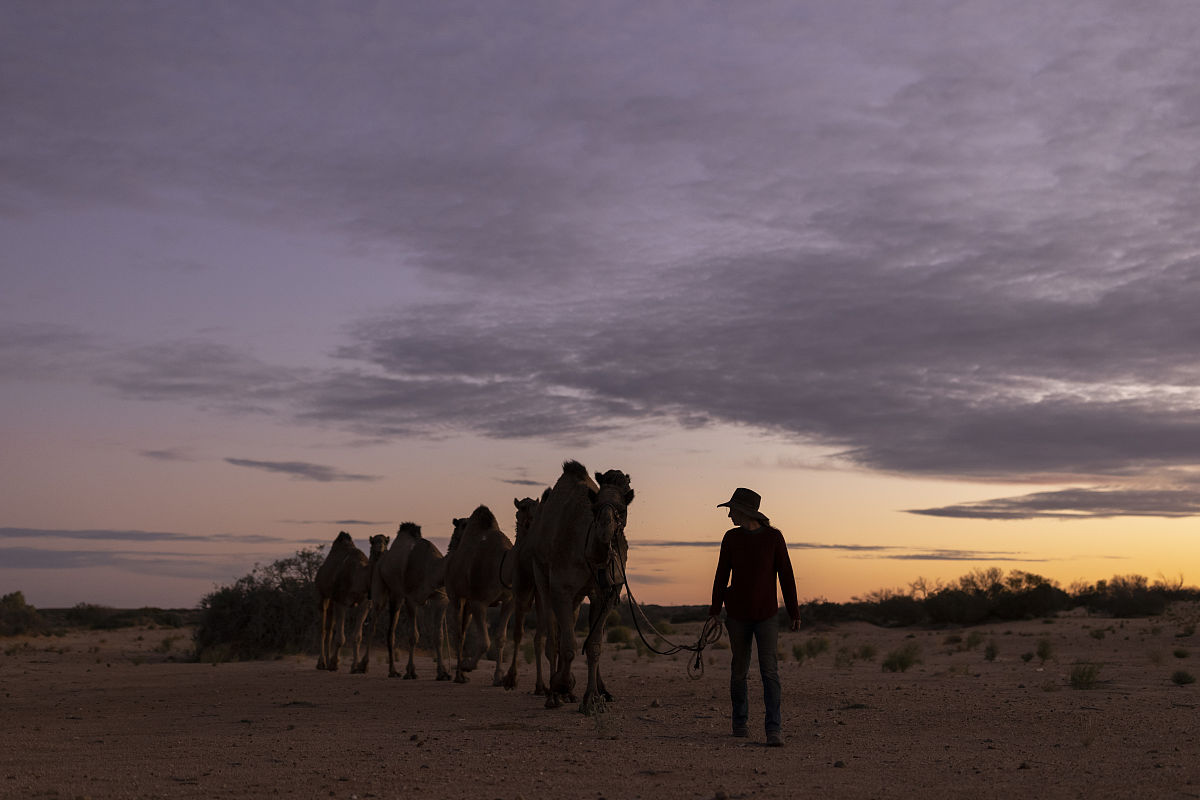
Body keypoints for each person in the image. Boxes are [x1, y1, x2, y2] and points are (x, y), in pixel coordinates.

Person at [708, 487, 801, 747]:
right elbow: (721, 575)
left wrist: (794, 611)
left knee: (769, 672)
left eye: (731, 511)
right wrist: (715, 610)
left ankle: (774, 729)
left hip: (767, 616)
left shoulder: (773, 538)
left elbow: (786, 575)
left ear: (744, 511)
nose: (729, 516)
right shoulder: (730, 538)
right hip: (737, 615)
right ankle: (740, 723)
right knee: (739, 670)